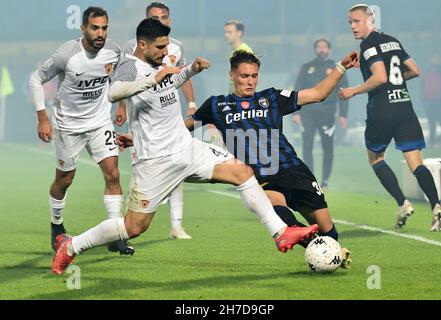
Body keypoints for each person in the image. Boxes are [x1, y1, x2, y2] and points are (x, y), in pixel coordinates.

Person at [51, 18, 319, 275]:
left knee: (243, 173)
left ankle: (281, 233)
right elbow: (113, 93)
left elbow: (168, 84)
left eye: (166, 46)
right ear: (142, 45)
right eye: (160, 47)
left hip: (186, 147)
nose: (166, 51)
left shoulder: (159, 64)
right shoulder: (130, 66)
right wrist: (154, 79)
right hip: (156, 161)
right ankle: (72, 245)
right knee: (134, 227)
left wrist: (190, 70)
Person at [183, 50, 357, 269]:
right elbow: (185, 127)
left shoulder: (272, 98)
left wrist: (341, 67)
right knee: (280, 213)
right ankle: (321, 253)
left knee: (328, 230)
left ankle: (327, 250)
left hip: (294, 170)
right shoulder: (217, 105)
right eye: (244, 76)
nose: (250, 81)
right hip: (263, 178)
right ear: (232, 75)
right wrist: (143, 139)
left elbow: (317, 94)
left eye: (254, 76)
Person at [28, 6, 134, 254]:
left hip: (99, 122)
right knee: (65, 179)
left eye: (104, 28)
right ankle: (56, 227)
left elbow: (119, 79)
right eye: (95, 28)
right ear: (83, 28)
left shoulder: (113, 51)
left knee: (113, 174)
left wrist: (120, 106)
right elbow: (35, 79)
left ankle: (115, 233)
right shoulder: (67, 54)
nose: (100, 33)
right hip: (68, 127)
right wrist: (43, 118)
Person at [339, 4, 441, 231]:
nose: (352, 26)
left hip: (382, 109)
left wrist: (353, 90)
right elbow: (415, 70)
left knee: (375, 158)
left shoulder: (367, 45)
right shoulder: (392, 40)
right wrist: (397, 83)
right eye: (349, 22)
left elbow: (380, 77)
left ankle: (402, 203)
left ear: (370, 19)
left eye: (356, 21)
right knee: (416, 163)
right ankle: (436, 208)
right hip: (404, 106)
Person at [118, 2, 196, 240]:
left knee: (179, 163)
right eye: (155, 18)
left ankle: (176, 224)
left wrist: (191, 104)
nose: (161, 21)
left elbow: (181, 75)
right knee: (141, 171)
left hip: (167, 114)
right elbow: (123, 80)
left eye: (164, 17)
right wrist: (121, 106)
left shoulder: (177, 47)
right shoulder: (132, 47)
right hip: (142, 117)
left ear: (170, 21)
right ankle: (123, 225)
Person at [292, 39, 350, 190]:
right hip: (308, 113)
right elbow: (297, 90)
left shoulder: (337, 68)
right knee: (307, 146)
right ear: (315, 49)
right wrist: (295, 112)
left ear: (329, 49)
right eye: (319, 47)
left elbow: (344, 92)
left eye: (324, 47)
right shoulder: (307, 67)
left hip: (328, 113)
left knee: (328, 148)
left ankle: (324, 182)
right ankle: (311, 180)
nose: (321, 49)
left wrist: (343, 115)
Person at [422, 54, 441, 146]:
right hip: (428, 100)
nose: (434, 60)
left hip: (439, 99)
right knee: (431, 121)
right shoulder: (428, 70)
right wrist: (423, 97)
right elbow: (424, 84)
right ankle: (432, 141)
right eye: (433, 58)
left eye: (436, 58)